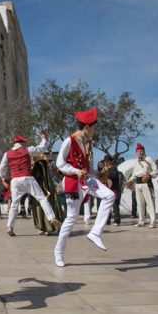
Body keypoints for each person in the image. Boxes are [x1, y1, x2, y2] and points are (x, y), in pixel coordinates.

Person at [53, 108, 114, 266]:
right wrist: (75, 170)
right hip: (73, 182)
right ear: (87, 126)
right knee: (71, 218)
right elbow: (60, 163)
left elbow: (86, 167)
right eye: (94, 127)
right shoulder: (70, 140)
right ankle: (58, 252)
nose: (95, 130)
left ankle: (95, 232)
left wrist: (97, 173)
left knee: (109, 195)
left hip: (86, 180)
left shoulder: (87, 142)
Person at [0, 132, 62, 237]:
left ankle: (10, 226)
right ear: (21, 143)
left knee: (14, 204)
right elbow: (41, 148)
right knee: (42, 198)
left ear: (14, 143)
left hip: (15, 180)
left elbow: (2, 168)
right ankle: (51, 217)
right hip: (27, 177)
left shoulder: (7, 153)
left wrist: (3, 178)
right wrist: (43, 138)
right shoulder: (26, 150)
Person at [31, 154, 64, 235]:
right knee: (47, 208)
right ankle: (46, 228)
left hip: (44, 189)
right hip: (45, 189)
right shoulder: (44, 164)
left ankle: (46, 228)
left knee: (44, 208)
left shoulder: (41, 165)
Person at [127, 143, 158, 228]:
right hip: (138, 183)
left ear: (144, 151)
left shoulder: (148, 159)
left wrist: (150, 175)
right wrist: (129, 181)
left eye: (141, 151)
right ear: (136, 152)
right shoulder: (135, 161)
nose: (140, 153)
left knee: (150, 203)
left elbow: (156, 170)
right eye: (138, 151)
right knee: (140, 203)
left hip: (146, 183)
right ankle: (141, 221)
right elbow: (134, 173)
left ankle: (153, 221)